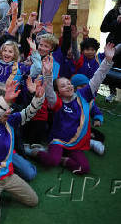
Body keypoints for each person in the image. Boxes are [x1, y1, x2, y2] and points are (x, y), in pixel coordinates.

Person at [26, 43, 115, 174]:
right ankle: (33, 151)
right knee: (52, 161)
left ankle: (63, 160)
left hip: (75, 143)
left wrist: (107, 61)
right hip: (58, 141)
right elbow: (49, 90)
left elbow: (97, 77)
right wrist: (48, 74)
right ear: (59, 92)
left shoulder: (83, 95)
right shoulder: (57, 101)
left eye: (69, 83)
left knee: (84, 168)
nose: (68, 86)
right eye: (63, 86)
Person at [0, 78, 45, 224]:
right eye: (6, 106)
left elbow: (28, 113)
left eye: (10, 105)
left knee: (33, 201)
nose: (10, 109)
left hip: (8, 176)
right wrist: (4, 101)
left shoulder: (10, 120)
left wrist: (38, 98)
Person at [100, 0, 121, 102]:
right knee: (111, 67)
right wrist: (116, 22)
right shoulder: (113, 12)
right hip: (113, 45)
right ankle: (112, 92)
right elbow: (103, 28)